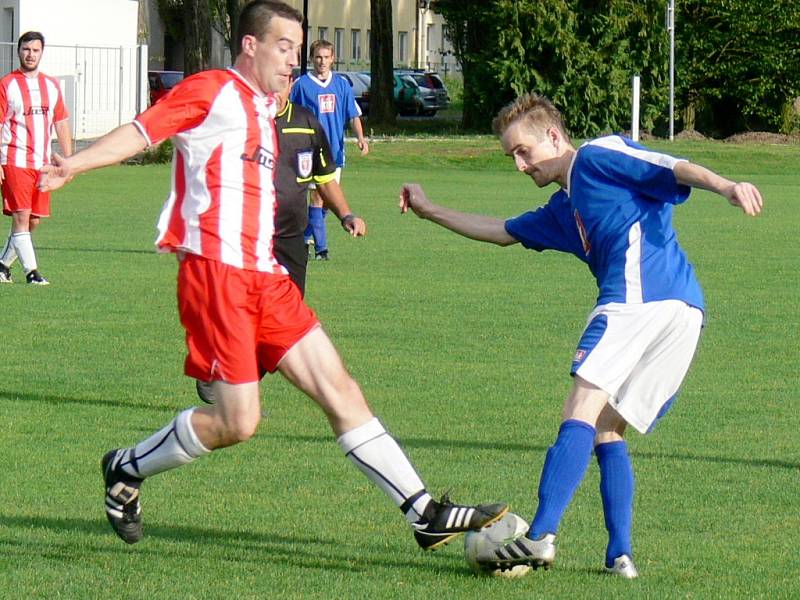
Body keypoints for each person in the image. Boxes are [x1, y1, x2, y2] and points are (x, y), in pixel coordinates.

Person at [39, 0, 506, 551]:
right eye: (284, 47)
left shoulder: (267, 108)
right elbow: (143, 131)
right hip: (217, 275)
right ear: (250, 45)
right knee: (238, 422)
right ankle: (126, 467)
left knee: (341, 390)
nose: (293, 60)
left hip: (268, 277)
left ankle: (423, 512)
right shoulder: (212, 89)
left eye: (298, 50)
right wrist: (76, 162)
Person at [399, 93, 763, 578]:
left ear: (553, 135)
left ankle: (540, 537)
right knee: (607, 428)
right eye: (511, 156)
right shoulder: (561, 211)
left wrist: (726, 185)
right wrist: (429, 210)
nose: (520, 164)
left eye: (523, 151)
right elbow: (499, 229)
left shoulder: (595, 156)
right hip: (685, 311)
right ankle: (620, 557)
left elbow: (671, 164)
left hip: (637, 298)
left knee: (580, 409)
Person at [195, 80, 366, 403]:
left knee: (285, 318)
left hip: (290, 240)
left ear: (290, 84)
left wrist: (346, 215)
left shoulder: (306, 123)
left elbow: (325, 178)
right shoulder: (241, 121)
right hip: (246, 238)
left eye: (285, 80)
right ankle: (227, 374)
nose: (278, 87)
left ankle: (231, 376)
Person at [0, 31, 73, 285]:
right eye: (26, 49)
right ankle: (32, 274)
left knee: (33, 220)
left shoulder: (51, 85)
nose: (30, 54)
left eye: (35, 50)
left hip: (43, 165)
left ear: (42, 53)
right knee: (21, 216)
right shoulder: (7, 84)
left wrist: (70, 161)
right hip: (14, 160)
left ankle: (1, 266)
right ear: (18, 51)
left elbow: (62, 123)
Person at [290, 39, 369, 261]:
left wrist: (361, 138)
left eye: (326, 57)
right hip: (311, 151)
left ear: (333, 58)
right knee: (317, 198)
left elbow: (353, 114)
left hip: (335, 151)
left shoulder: (342, 85)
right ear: (312, 59)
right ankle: (321, 250)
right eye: (318, 57)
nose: (322, 61)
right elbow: (288, 112)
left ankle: (304, 237)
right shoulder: (302, 85)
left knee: (328, 202)